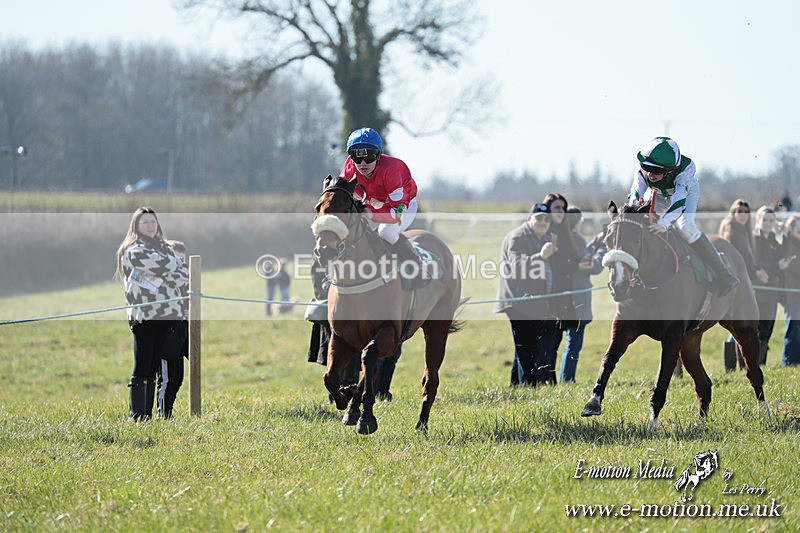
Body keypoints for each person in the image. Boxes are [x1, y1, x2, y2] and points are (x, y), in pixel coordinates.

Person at [628, 137, 739, 297]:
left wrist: (665, 223)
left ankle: (724, 274)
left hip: (687, 193)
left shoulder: (686, 170)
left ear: (670, 170)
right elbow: (635, 192)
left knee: (685, 228)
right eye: (647, 167)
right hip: (658, 194)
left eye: (657, 171)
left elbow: (679, 201)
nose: (650, 174)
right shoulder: (643, 172)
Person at [115, 207, 188, 421]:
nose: (150, 225)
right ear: (136, 225)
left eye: (153, 221)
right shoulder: (133, 249)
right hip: (145, 316)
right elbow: (166, 265)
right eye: (145, 222)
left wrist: (168, 270)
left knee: (158, 366)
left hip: (168, 315)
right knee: (144, 365)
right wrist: (171, 267)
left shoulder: (164, 247)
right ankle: (139, 416)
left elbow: (184, 275)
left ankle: (154, 415)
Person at [339, 127, 427, 288]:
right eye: (357, 157)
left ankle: (417, 265)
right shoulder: (349, 169)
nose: (363, 163)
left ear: (378, 155)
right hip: (373, 202)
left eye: (369, 156)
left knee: (386, 231)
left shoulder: (393, 170)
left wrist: (371, 214)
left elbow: (395, 215)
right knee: (355, 229)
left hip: (402, 204)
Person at [495, 202, 556, 386]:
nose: (543, 222)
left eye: (547, 219)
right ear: (529, 218)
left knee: (524, 347)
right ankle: (530, 387)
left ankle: (516, 385)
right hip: (518, 302)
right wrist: (541, 256)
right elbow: (516, 267)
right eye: (539, 218)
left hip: (531, 302)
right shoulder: (518, 237)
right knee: (527, 348)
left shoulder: (539, 238)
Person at [559, 207, 604, 382]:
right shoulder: (576, 240)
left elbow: (583, 255)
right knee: (574, 343)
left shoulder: (570, 240)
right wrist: (603, 250)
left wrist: (595, 242)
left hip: (568, 297)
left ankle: (563, 378)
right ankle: (567, 379)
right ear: (578, 222)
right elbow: (594, 266)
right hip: (578, 300)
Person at [540, 193, 579, 385]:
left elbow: (569, 260)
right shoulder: (546, 232)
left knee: (556, 340)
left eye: (563, 208)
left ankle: (551, 379)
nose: (561, 212)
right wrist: (575, 265)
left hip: (564, 293)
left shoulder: (564, 233)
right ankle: (546, 379)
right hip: (551, 294)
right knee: (548, 341)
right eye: (556, 208)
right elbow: (557, 265)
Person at [718, 199, 760, 371]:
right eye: (739, 211)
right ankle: (732, 367)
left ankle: (737, 366)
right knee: (738, 326)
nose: (743, 214)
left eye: (746, 211)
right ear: (733, 213)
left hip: (744, 281)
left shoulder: (743, 232)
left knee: (738, 327)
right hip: (737, 283)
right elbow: (738, 261)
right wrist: (755, 272)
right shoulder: (732, 233)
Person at [157, 239, 189, 419]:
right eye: (177, 259)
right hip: (165, 332)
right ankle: (163, 414)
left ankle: (168, 412)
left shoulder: (186, 283)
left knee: (178, 378)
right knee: (167, 378)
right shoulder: (164, 283)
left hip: (181, 331)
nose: (180, 264)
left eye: (183, 260)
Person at [752, 206, 785, 365]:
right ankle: (749, 365)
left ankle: (761, 364)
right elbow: (756, 263)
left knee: (767, 330)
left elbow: (783, 256)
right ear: (758, 220)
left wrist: (781, 233)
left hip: (773, 291)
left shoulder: (772, 238)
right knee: (754, 330)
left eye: (771, 220)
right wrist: (776, 266)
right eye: (764, 219)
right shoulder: (753, 239)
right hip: (758, 291)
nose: (767, 223)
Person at [779, 215, 800, 367]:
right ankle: (788, 362)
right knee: (792, 329)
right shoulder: (788, 243)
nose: (799, 229)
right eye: (795, 226)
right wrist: (784, 229)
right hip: (792, 295)